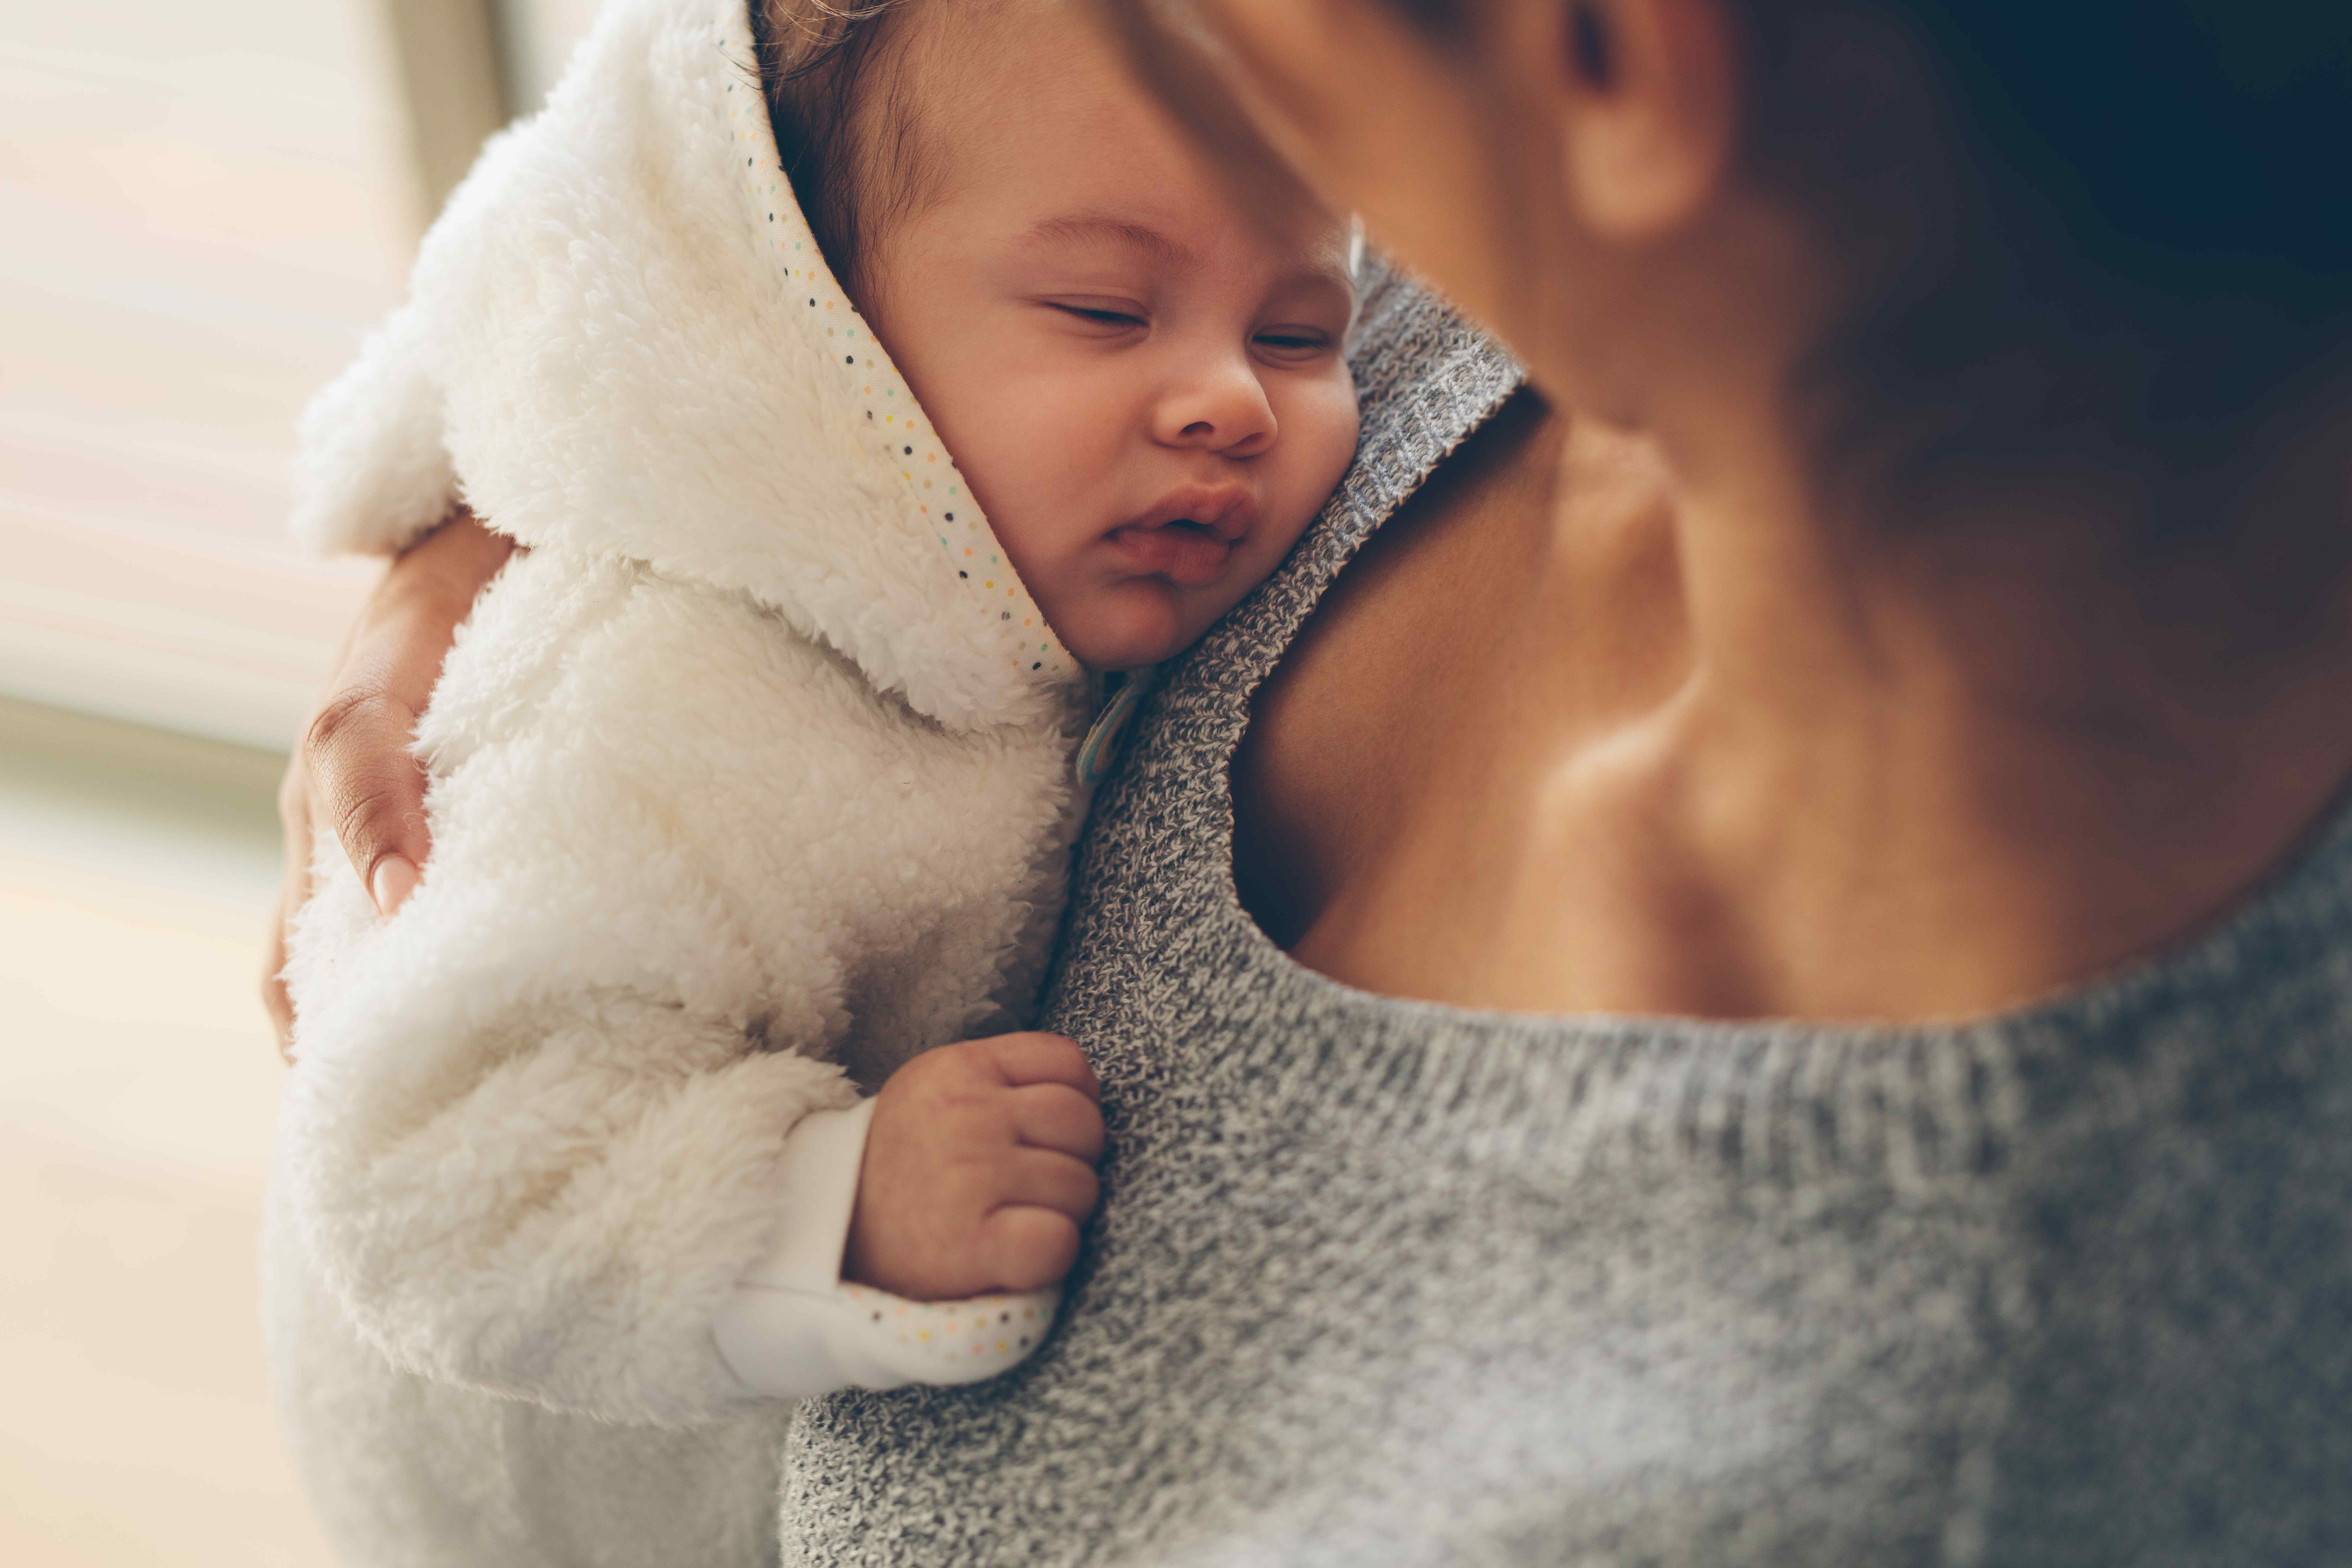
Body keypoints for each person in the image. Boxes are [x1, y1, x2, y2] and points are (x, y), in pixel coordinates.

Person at [268, 0, 2352, 1560]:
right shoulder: (1505, 234)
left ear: (1625, 61)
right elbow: (735, 147)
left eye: (1295, 325)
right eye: (1103, 302)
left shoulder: (1941, 1447)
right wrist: (528, 475)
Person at [261, 0, 1356, 1563]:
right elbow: (425, 1169)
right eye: (1109, 311)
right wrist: (835, 1204)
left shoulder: (992, 546)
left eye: (1304, 332)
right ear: (809, 320)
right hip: (540, 1474)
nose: (1233, 403)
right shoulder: (681, 718)